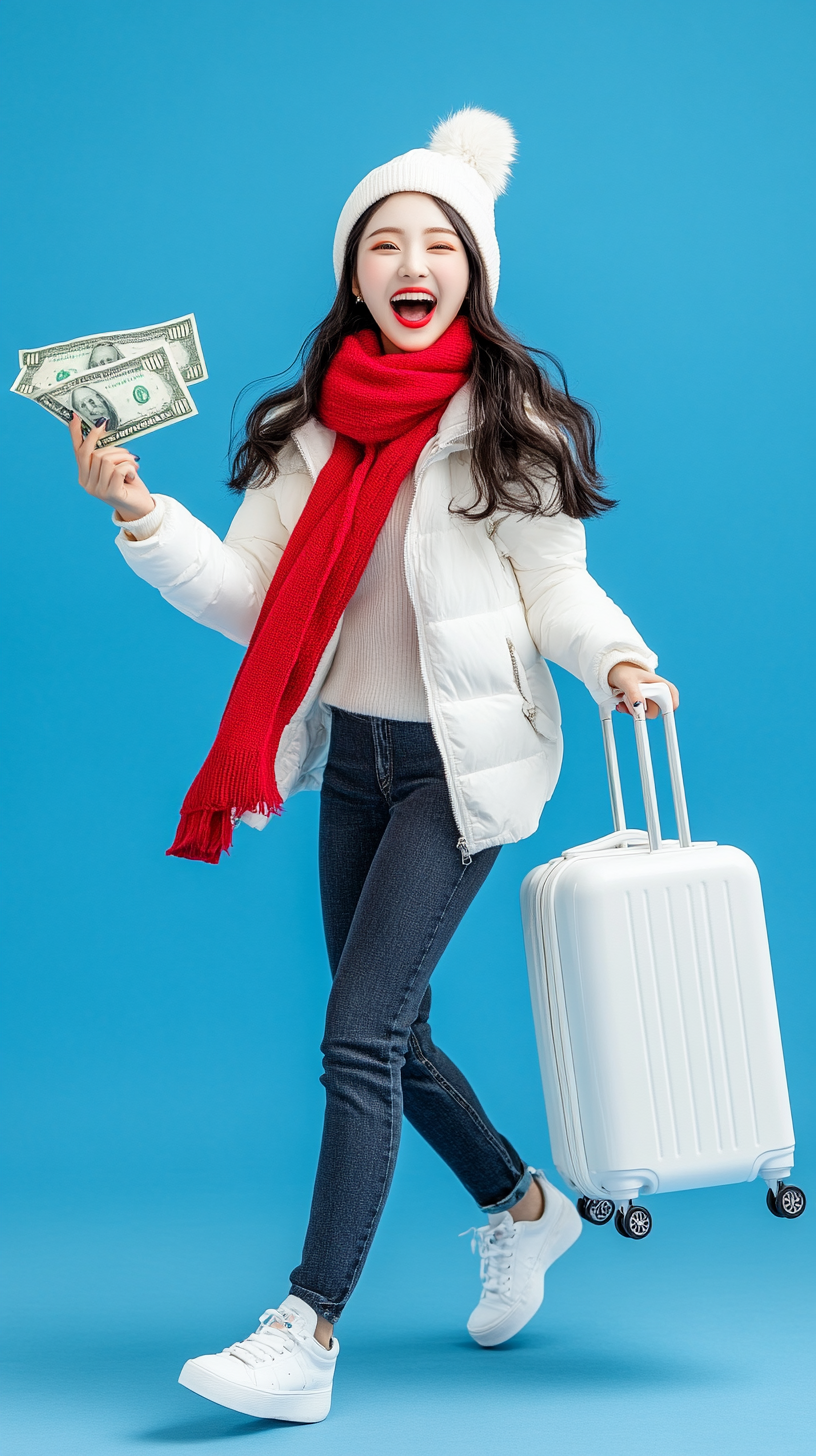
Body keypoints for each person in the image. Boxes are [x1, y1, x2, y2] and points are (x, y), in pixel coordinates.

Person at [68, 108, 678, 1426]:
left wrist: (618, 663)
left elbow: (560, 595)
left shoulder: (514, 428)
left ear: (472, 271)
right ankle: (524, 1207)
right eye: (382, 241)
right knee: (391, 1036)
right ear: (355, 274)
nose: (411, 260)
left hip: (465, 772)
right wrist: (140, 512)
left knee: (358, 1031)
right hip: (354, 762)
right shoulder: (309, 429)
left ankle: (308, 1328)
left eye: (437, 242)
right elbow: (251, 595)